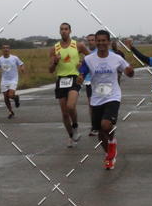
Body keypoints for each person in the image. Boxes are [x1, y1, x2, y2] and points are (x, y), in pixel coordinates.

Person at [77, 30, 133, 169]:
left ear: (108, 42)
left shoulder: (116, 58)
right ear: (96, 42)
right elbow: (82, 71)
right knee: (101, 133)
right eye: (99, 41)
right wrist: (80, 77)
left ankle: (111, 145)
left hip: (113, 96)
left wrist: (129, 71)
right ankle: (110, 151)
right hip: (97, 98)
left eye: (104, 40)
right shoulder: (89, 59)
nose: (101, 43)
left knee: (106, 125)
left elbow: (128, 71)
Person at [49, 22, 89, 147]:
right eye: (62, 29)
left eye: (66, 29)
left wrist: (82, 64)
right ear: (59, 31)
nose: (64, 31)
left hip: (74, 78)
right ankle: (71, 136)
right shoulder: (54, 48)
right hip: (61, 79)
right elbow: (50, 70)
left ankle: (75, 127)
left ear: (70, 31)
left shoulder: (78, 45)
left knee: (71, 106)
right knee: (64, 113)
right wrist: (54, 62)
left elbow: (91, 58)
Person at [0, 43, 24, 118]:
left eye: (7, 48)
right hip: (4, 80)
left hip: (13, 79)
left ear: (9, 49)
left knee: (10, 95)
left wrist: (22, 68)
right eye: (4, 48)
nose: (6, 49)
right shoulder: (0, 60)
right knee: (6, 97)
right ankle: (10, 111)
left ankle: (16, 98)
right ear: (2, 50)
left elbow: (21, 64)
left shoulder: (14, 58)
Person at [83, 33, 98, 135]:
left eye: (92, 40)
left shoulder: (100, 52)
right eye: (89, 40)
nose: (90, 42)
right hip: (89, 81)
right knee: (91, 104)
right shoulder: (85, 53)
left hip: (100, 82)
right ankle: (94, 126)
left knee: (101, 104)